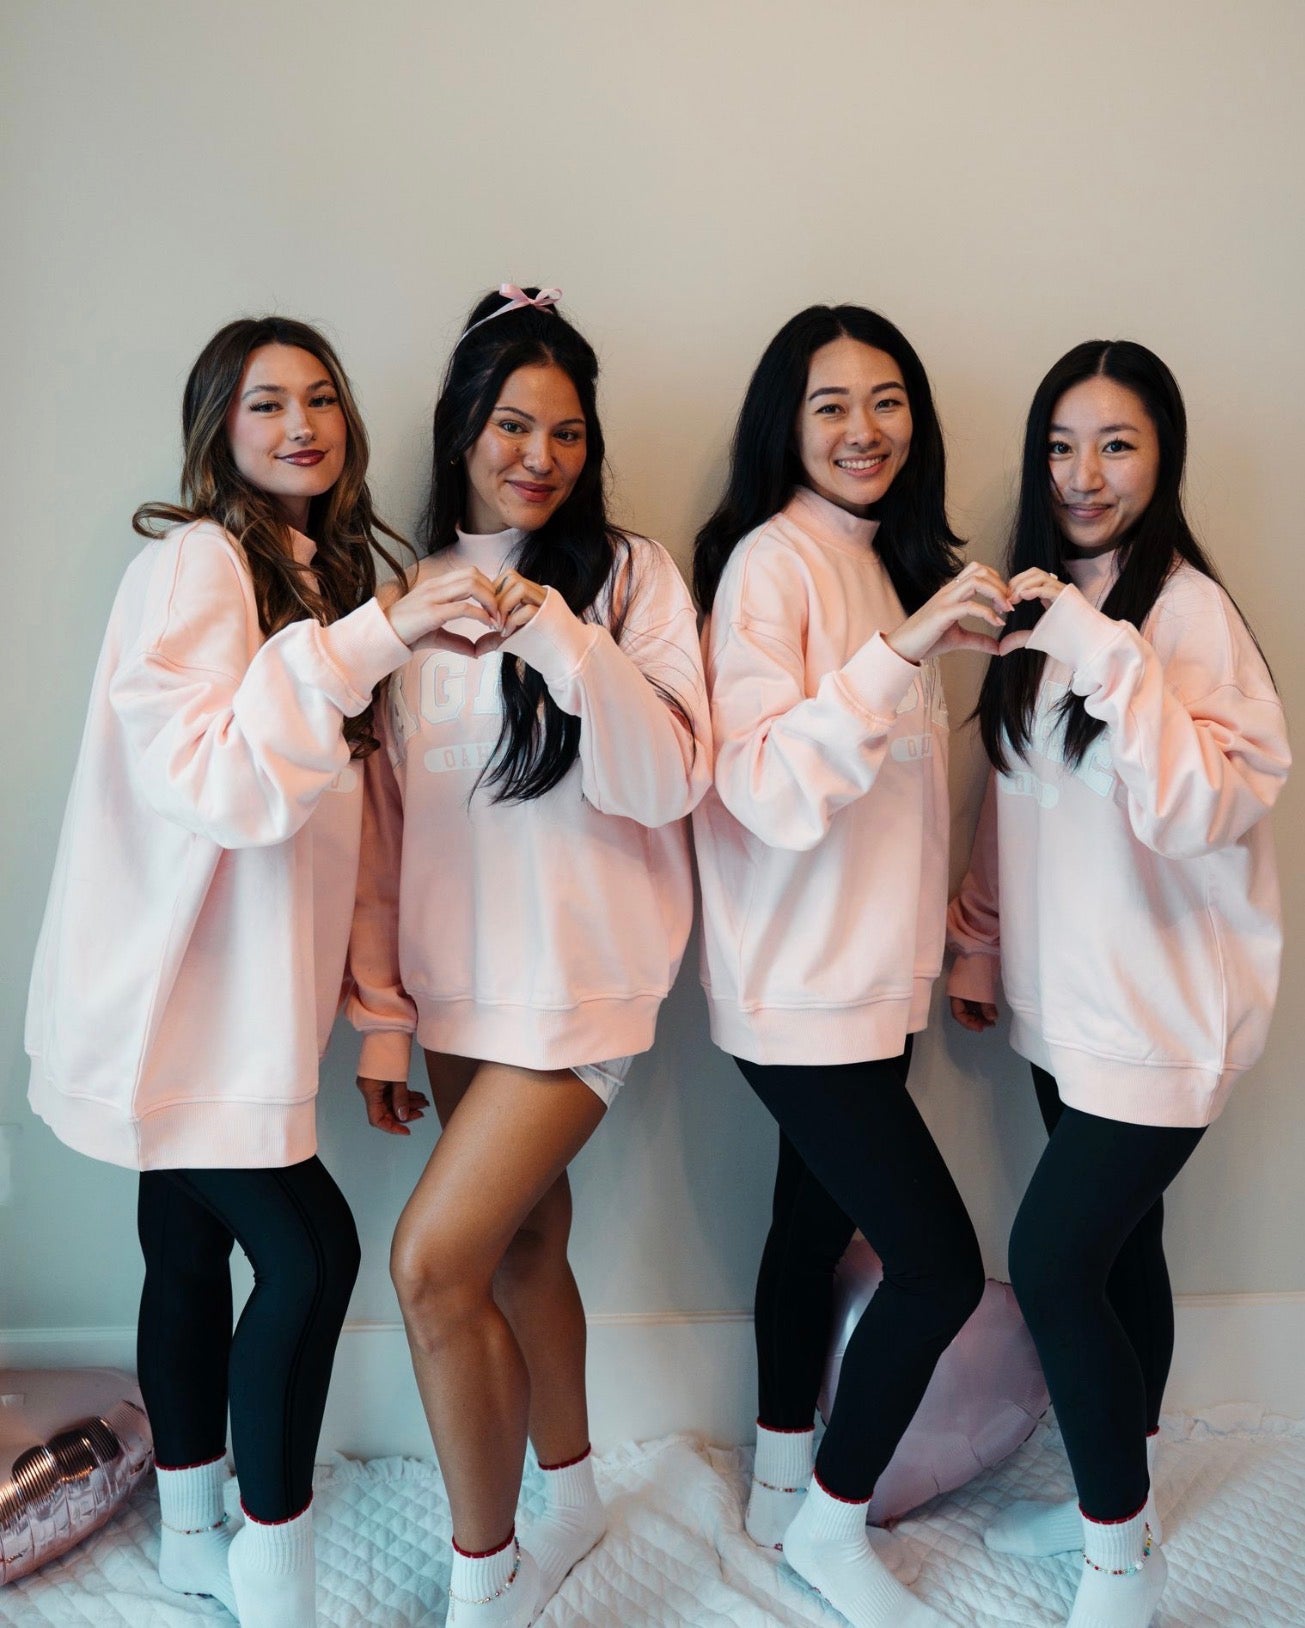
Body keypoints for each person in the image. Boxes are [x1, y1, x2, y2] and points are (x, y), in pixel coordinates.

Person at [25, 316, 469, 1628]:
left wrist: (379, 1020)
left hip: (237, 1008)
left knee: (186, 1246)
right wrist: (376, 635)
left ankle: (191, 1533)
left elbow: (365, 833)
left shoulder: (313, 586)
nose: (300, 425)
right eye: (266, 402)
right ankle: (273, 1582)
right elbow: (216, 784)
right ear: (218, 426)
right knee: (312, 1255)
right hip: (178, 1002)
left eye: (320, 398)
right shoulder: (196, 565)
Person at [349, 285, 712, 1627]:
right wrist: (384, 1018)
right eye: (513, 425)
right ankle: (569, 1495)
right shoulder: (402, 600)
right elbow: (386, 834)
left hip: (582, 991)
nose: (541, 456)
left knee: (429, 1265)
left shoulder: (630, 577)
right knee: (521, 1248)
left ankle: (483, 1578)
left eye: (567, 431)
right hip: (456, 992)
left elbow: (667, 779)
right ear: (463, 428)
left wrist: (558, 632)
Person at [948, 340, 1289, 1628]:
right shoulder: (1041, 604)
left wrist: (1104, 650)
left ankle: (1119, 1568)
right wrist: (981, 944)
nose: (1082, 475)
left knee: (1049, 1264)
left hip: (1162, 1018)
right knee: (1119, 1255)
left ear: (1164, 456)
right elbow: (1015, 794)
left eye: (1116, 444)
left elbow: (1204, 809)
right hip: (1068, 1012)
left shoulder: (1186, 614)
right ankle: (1127, 1500)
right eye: (1060, 446)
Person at [691, 303, 1007, 1628]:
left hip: (871, 983)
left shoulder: (889, 565)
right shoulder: (772, 565)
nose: (864, 429)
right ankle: (830, 1527)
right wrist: (905, 651)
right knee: (937, 1270)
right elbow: (763, 786)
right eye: (831, 404)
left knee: (809, 1233)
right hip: (798, 989)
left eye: (887, 402)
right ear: (787, 422)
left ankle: (777, 1494)